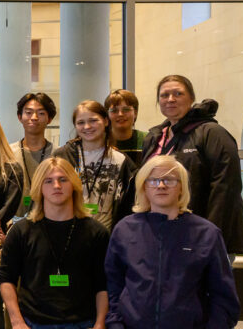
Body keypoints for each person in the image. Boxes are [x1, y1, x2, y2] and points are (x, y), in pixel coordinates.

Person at [106, 155, 241, 329]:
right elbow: (113, 286)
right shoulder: (125, 230)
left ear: (182, 187)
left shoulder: (206, 233)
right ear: (144, 188)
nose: (161, 185)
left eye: (170, 179)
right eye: (154, 180)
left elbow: (224, 298)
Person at [141, 74, 243, 329]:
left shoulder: (211, 133)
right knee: (179, 307)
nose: (170, 99)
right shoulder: (158, 136)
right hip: (166, 238)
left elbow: (225, 189)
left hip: (205, 241)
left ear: (191, 97)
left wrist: (208, 238)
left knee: (217, 308)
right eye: (164, 94)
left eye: (178, 93)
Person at [0, 157, 110, 329]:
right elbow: (6, 280)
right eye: (49, 181)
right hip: (35, 327)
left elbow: (103, 286)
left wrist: (99, 328)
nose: (56, 186)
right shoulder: (22, 231)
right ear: (39, 188)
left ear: (74, 185)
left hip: (79, 328)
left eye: (63, 179)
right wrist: (17, 323)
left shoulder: (96, 232)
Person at [51, 100, 137, 230]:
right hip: (66, 231)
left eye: (93, 121)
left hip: (106, 236)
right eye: (81, 122)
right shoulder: (62, 156)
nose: (87, 127)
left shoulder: (121, 160)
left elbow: (130, 202)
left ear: (106, 121)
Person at [10, 92, 58, 216]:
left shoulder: (58, 154)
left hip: (50, 219)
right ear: (20, 117)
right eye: (28, 112)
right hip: (14, 221)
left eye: (41, 113)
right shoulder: (8, 153)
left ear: (49, 119)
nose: (34, 117)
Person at [106, 89, 148, 166]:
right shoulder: (101, 143)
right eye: (114, 110)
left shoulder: (148, 140)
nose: (120, 114)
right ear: (107, 115)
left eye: (126, 109)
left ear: (135, 113)